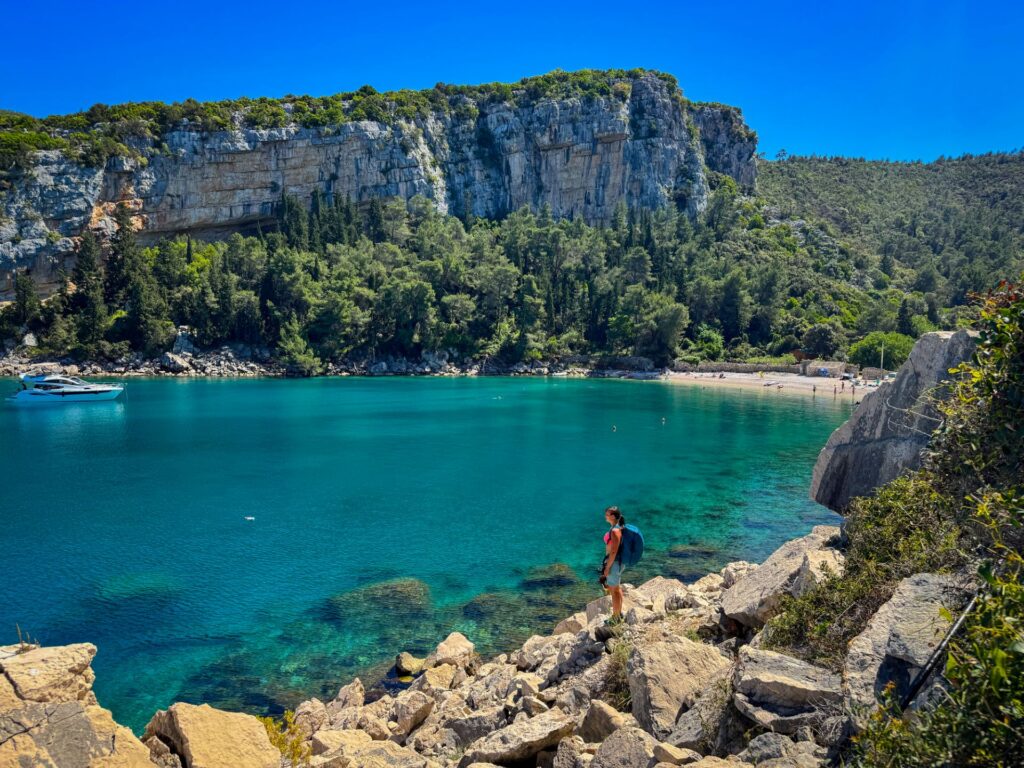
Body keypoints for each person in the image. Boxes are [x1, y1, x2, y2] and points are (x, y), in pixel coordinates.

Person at [599, 506, 627, 625]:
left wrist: (607, 567)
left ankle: (615, 619)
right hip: (617, 563)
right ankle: (618, 613)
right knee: (617, 589)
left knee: (613, 591)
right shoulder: (615, 528)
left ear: (614, 516)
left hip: (614, 563)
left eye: (608, 514)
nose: (605, 515)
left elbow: (614, 551)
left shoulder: (615, 531)